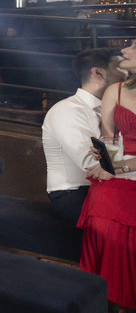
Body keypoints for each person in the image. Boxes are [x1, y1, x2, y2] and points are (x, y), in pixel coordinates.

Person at [81, 42, 136, 313]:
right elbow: (108, 139)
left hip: (125, 170)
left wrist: (117, 168)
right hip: (121, 171)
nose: (125, 50)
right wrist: (105, 159)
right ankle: (104, 297)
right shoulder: (115, 90)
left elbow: (118, 165)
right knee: (100, 222)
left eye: (134, 46)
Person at [41, 47, 124, 226]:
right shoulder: (68, 109)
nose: (127, 73)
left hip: (108, 188)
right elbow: (93, 165)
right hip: (76, 195)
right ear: (97, 72)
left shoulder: (114, 109)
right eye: (119, 67)